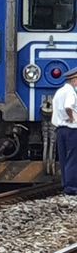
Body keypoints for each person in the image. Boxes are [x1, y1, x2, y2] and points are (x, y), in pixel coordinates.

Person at [52, 66, 77, 195]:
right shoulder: (71, 92)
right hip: (72, 129)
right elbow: (68, 106)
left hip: (60, 129)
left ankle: (65, 183)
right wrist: (71, 117)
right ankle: (72, 187)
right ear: (74, 80)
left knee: (64, 158)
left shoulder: (59, 91)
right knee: (73, 158)